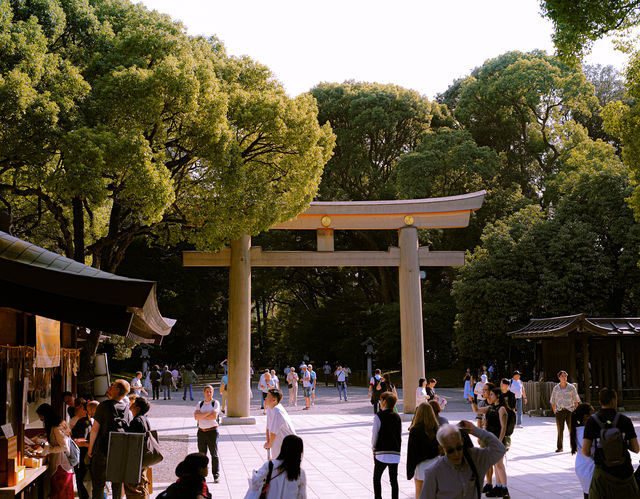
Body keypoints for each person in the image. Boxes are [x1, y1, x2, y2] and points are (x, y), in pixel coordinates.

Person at [419, 422, 507, 499]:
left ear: (462, 442)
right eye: (450, 451)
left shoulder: (476, 459)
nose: (456, 454)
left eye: (459, 448)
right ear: (442, 449)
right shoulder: (433, 472)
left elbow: (500, 449)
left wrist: (475, 430)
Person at [582, 387, 640, 498]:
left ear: (600, 402)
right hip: (625, 473)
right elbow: (636, 449)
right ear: (614, 400)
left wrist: (598, 454)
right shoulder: (625, 420)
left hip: (602, 473)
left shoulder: (592, 421)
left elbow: (585, 450)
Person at [88, 379, 133, 499]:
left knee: (98, 484)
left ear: (117, 389)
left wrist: (90, 448)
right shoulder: (127, 410)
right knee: (117, 484)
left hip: (102, 449)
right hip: (119, 451)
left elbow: (95, 429)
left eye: (113, 385)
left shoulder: (103, 406)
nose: (111, 387)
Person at [469, 387, 513, 497]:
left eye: (492, 394)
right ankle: (498, 487)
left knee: (499, 465)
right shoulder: (491, 407)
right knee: (496, 464)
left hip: (497, 440)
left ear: (498, 396)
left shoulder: (502, 409)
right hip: (490, 440)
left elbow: (503, 427)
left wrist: (498, 442)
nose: (490, 396)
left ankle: (505, 489)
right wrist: (472, 401)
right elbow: (477, 411)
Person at [36, 403, 75, 499]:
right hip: (63, 464)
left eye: (42, 418)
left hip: (60, 465)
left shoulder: (56, 428)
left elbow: (64, 447)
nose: (42, 420)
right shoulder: (60, 424)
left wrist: (49, 449)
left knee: (60, 492)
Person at [372, 391, 402, 499]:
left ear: (384, 401)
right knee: (394, 480)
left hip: (381, 452)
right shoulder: (397, 417)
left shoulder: (378, 416)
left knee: (376, 478)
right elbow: (399, 435)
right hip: (395, 452)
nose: (380, 402)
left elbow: (374, 435)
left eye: (381, 400)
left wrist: (373, 449)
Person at [407, 402, 440, 498]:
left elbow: (412, 452)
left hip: (421, 464)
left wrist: (410, 470)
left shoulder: (415, 430)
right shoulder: (436, 428)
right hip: (435, 462)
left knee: (419, 492)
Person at [124, 397, 152, 498]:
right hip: (142, 458)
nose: (131, 405)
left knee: (135, 488)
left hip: (135, 459)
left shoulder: (136, 421)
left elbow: (131, 440)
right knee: (142, 484)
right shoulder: (144, 419)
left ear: (138, 408)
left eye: (134, 404)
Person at [194, 385, 221, 483]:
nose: (209, 393)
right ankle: (202, 475)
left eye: (210, 391)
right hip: (201, 431)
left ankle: (216, 474)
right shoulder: (200, 403)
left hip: (212, 431)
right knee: (202, 455)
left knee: (214, 454)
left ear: (213, 393)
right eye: (207, 391)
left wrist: (202, 415)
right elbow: (196, 417)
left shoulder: (215, 403)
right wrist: (207, 414)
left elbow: (214, 416)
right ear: (204, 393)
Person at [550, 370, 581, 452]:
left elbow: (576, 400)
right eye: (562, 376)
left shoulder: (571, 387)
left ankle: (574, 447)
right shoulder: (556, 388)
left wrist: (575, 410)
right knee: (560, 430)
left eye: (565, 376)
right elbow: (553, 400)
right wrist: (554, 410)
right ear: (559, 377)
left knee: (572, 430)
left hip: (569, 410)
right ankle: (560, 447)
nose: (564, 377)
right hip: (559, 410)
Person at [570, 403, 595, 499]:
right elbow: (587, 450)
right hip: (589, 467)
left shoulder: (578, 429)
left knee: (587, 493)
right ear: (586, 417)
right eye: (592, 414)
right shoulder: (585, 431)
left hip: (582, 465)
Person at [264, 389, 296, 459]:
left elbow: (273, 432)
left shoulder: (277, 410)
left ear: (274, 400)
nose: (265, 398)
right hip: (279, 441)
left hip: (290, 444)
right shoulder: (270, 408)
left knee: (283, 466)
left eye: (268, 396)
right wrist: (268, 442)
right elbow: (268, 428)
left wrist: (269, 444)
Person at [71, 398, 92, 499]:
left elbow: (81, 440)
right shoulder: (87, 422)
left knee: (82, 483)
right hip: (82, 457)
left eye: (79, 407)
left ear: (84, 410)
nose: (76, 409)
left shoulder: (83, 423)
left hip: (81, 457)